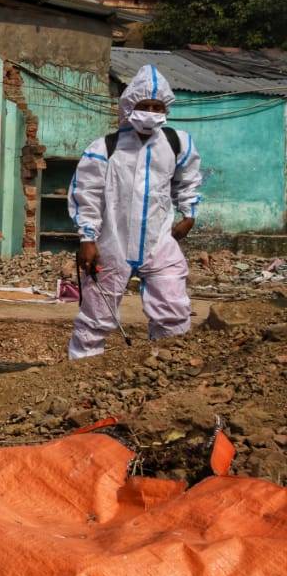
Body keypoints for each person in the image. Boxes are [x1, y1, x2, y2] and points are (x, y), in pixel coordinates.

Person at [67, 64, 201, 360]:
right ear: (130, 106)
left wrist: (189, 213)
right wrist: (87, 239)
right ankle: (79, 376)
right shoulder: (105, 148)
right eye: (145, 105)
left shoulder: (176, 143)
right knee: (96, 318)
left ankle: (166, 372)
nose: (151, 111)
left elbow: (188, 179)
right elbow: (85, 193)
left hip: (160, 242)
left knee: (174, 312)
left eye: (157, 106)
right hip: (111, 243)